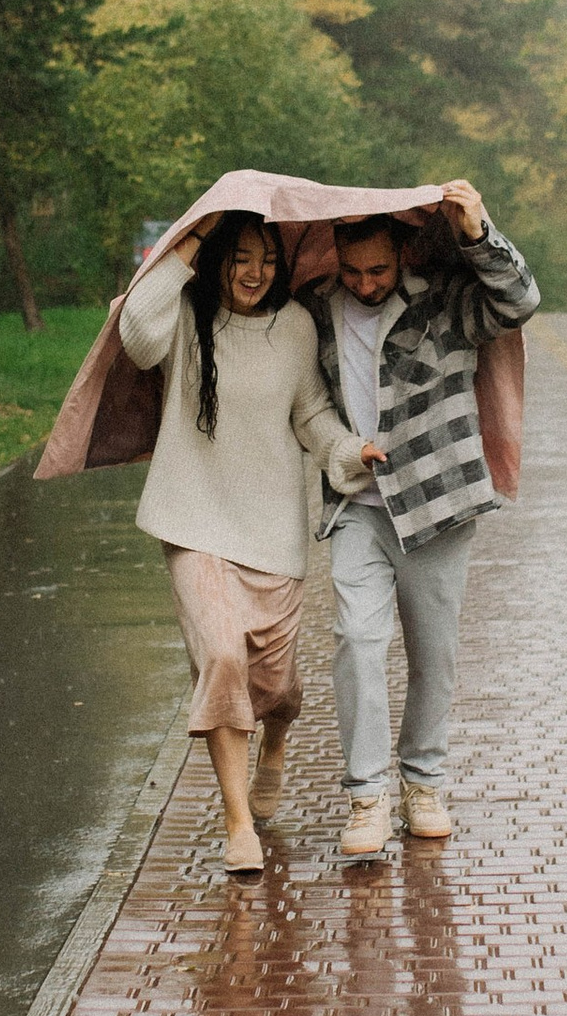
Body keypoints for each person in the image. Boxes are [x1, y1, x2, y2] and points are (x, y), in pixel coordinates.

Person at [116, 210, 370, 875]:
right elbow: (135, 330)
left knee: (275, 687)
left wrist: (349, 451)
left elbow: (310, 411)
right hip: (194, 521)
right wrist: (194, 235)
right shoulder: (183, 319)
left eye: (265, 259)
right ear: (216, 260)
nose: (254, 272)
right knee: (223, 659)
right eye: (239, 258)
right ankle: (237, 826)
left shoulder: (293, 327)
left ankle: (277, 739)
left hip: (273, 530)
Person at [305, 179, 541, 859]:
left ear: (403, 252)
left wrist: (477, 229)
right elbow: (307, 403)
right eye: (352, 269)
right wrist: (341, 449)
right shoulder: (317, 310)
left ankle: (424, 781)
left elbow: (520, 300)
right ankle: (367, 797)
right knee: (357, 640)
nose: (365, 282)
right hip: (358, 504)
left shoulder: (444, 301)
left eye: (378, 269)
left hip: (439, 506)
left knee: (433, 656)